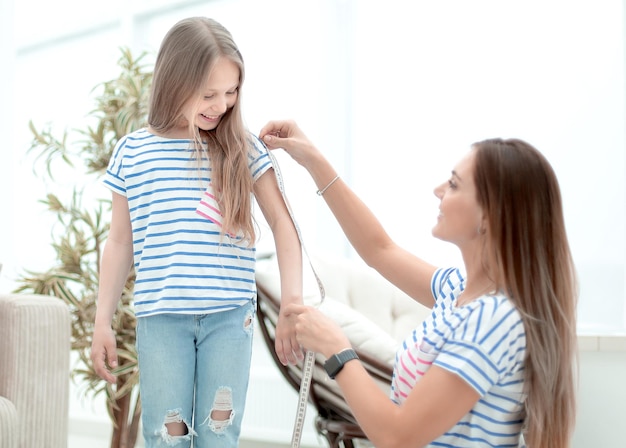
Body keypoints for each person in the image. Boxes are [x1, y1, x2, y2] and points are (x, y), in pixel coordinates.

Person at [259, 120, 578, 448]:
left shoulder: (493, 318)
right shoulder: (459, 290)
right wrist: (313, 159)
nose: (438, 190)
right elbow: (379, 250)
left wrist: (335, 348)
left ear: (489, 216)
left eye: (454, 185)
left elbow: (398, 436)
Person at [91, 18, 304, 447]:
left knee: (219, 436)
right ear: (175, 80)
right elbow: (119, 242)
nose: (221, 104)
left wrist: (291, 305)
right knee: (165, 438)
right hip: (161, 320)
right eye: (209, 94)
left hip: (230, 319)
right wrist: (102, 320)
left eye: (231, 92)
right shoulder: (133, 152)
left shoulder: (242, 147)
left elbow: (285, 224)